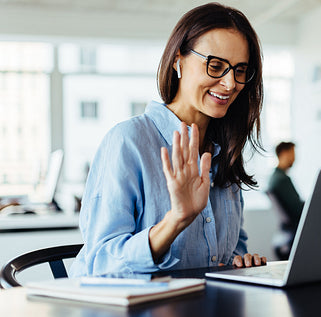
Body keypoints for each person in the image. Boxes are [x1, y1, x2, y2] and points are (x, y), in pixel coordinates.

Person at [70, 3, 267, 277]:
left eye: (240, 70)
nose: (231, 83)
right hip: (129, 315)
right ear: (178, 60)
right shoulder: (129, 141)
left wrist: (239, 261)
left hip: (202, 310)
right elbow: (100, 264)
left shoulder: (225, 151)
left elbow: (233, 248)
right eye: (216, 65)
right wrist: (175, 220)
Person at [267, 142, 304, 259]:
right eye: (292, 153)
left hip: (284, 231)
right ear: (283, 153)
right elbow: (298, 209)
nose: (294, 158)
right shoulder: (282, 180)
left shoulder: (274, 178)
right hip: (293, 233)